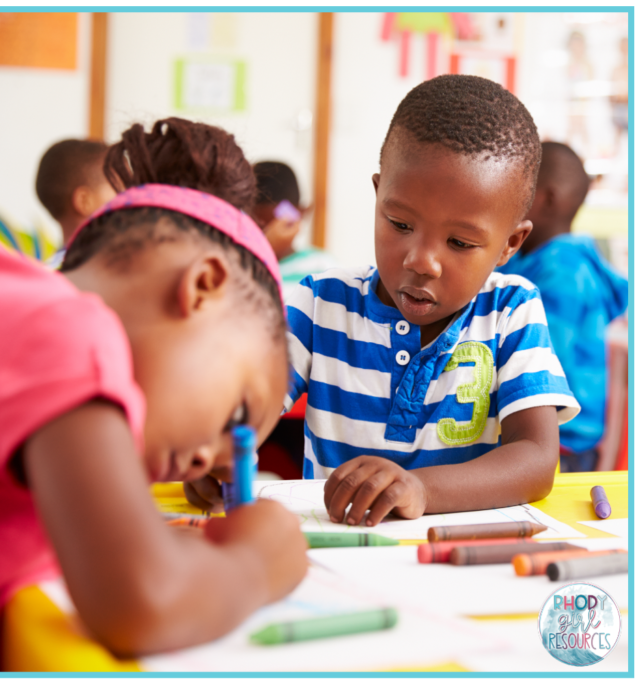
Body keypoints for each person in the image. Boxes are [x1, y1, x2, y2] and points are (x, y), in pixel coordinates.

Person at [0, 118, 307, 670]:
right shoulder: (70, 334)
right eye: (235, 417)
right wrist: (258, 564)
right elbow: (144, 603)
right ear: (202, 287)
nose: (204, 463)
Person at [186, 75, 579, 526]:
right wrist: (216, 448)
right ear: (378, 196)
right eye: (400, 223)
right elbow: (245, 404)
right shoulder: (320, 303)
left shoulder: (511, 310)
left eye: (459, 242)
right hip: (338, 555)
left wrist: (421, 489)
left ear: (510, 244)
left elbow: (536, 459)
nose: (421, 261)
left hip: (464, 561)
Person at [499, 142, 628, 472]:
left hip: (560, 438)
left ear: (547, 198)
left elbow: (539, 357)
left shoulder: (563, 272)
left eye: (516, 186)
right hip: (544, 431)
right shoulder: (531, 260)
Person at [251, 161, 337, 303]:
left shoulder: (323, 267)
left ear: (301, 213)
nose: (265, 234)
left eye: (270, 225)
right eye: (256, 225)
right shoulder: (236, 265)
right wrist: (265, 250)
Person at [35, 139, 117, 267]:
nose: (130, 197)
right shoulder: (106, 270)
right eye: (119, 189)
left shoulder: (48, 271)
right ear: (84, 201)